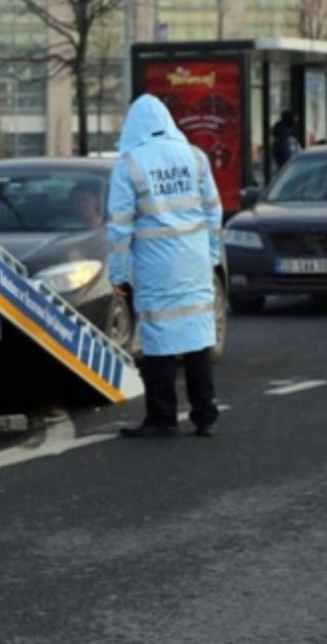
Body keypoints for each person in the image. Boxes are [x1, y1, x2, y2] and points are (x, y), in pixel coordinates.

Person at [107, 94, 223, 438]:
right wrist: (211, 254)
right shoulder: (196, 157)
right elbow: (213, 210)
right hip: (194, 259)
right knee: (198, 335)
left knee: (158, 339)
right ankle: (205, 415)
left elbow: (119, 227)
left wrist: (118, 273)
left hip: (156, 264)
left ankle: (162, 416)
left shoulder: (129, 164)